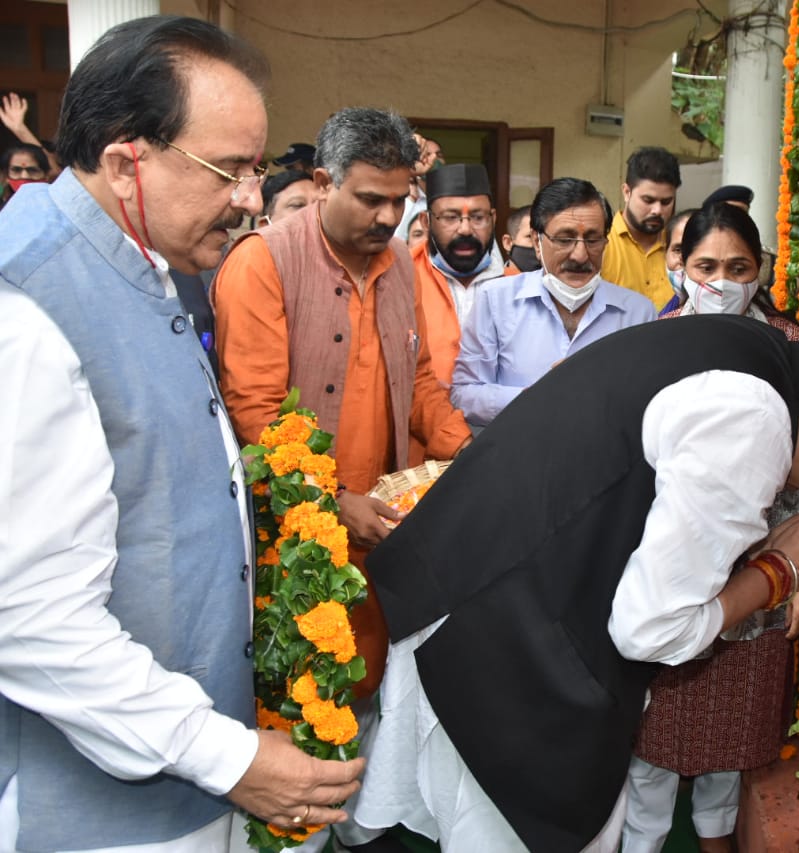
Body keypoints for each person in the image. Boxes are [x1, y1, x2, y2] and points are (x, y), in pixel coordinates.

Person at [358, 312, 799, 852]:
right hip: (500, 636)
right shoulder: (755, 421)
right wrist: (780, 573)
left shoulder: (755, 348)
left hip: (471, 583)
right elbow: (651, 630)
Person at [0, 16, 364, 852]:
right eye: (231, 171)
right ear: (127, 161)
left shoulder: (140, 257)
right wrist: (228, 757)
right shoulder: (28, 308)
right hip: (98, 819)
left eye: (256, 170)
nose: (250, 199)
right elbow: (31, 617)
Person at [213, 106, 472, 700]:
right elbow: (256, 411)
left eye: (400, 200)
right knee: (303, 697)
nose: (388, 217)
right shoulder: (263, 260)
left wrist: (469, 453)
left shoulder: (400, 265)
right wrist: (334, 500)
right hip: (295, 534)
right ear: (324, 183)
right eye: (370, 199)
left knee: (373, 691)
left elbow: (419, 383)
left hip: (385, 526)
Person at [622, 203, 799, 853]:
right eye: (706, 266)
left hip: (766, 560)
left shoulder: (794, 348)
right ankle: (645, 840)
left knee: (735, 725)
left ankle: (715, 838)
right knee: (654, 727)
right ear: (680, 266)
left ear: (760, 269)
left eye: (738, 268)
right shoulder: (657, 339)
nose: (721, 282)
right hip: (671, 551)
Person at [450, 177, 655, 429]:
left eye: (592, 240)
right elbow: (464, 394)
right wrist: (536, 397)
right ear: (537, 243)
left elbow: (649, 401)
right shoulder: (495, 300)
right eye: (564, 240)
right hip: (521, 450)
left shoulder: (638, 313)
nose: (580, 255)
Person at [412, 162, 508, 387]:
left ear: (493, 219)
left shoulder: (517, 286)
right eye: (450, 217)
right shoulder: (401, 278)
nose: (465, 229)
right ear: (426, 222)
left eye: (478, 217)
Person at [601, 146, 681, 309]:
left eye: (666, 202)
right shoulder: (601, 243)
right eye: (648, 200)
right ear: (626, 192)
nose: (657, 210)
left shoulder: (681, 246)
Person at [657, 207, 696, 314]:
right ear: (666, 252)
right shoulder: (667, 312)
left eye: (694, 249)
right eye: (678, 250)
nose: (684, 258)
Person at [1, 142, 49, 209]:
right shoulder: (4, 209)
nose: (25, 176)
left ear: (46, 175)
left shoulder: (58, 206)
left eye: (32, 170)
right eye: (16, 170)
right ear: (6, 176)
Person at [502, 204, 539, 273]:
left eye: (542, 237)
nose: (539, 244)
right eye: (530, 237)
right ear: (508, 243)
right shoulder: (495, 280)